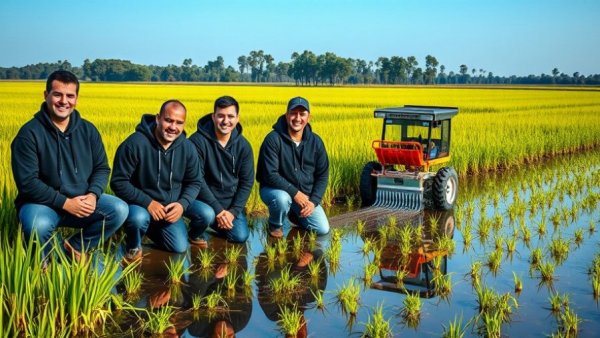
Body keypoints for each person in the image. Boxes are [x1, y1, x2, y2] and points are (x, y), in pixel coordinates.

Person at [11, 70, 128, 262]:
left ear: (76, 99)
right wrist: (65, 203)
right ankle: (44, 262)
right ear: (46, 95)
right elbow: (28, 183)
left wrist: (93, 194)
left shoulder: (88, 130)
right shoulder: (29, 134)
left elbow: (101, 168)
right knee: (37, 225)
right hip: (41, 204)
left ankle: (74, 247)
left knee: (119, 209)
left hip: (82, 200)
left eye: (70, 96)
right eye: (57, 94)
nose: (63, 101)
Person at [111, 100, 202, 261]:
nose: (173, 127)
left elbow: (195, 181)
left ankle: (150, 229)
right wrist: (148, 202)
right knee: (138, 219)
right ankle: (133, 244)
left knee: (179, 247)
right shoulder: (134, 143)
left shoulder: (187, 148)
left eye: (179, 123)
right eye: (168, 120)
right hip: (139, 206)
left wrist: (182, 204)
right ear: (158, 118)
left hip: (168, 209)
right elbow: (118, 182)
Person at [256, 96, 330, 238]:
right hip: (274, 190)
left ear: (308, 117)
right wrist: (295, 193)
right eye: (293, 113)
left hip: (304, 196)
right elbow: (270, 174)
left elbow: (323, 175)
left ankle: (295, 215)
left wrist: (313, 202)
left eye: (302, 114)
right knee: (282, 199)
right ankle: (275, 225)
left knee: (322, 229)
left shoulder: (316, 142)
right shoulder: (273, 139)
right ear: (286, 115)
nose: (297, 118)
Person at [186, 96, 254, 247]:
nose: (225, 121)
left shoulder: (244, 146)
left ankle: (216, 221)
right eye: (221, 116)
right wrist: (217, 210)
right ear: (213, 116)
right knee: (206, 214)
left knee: (240, 236)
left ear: (237, 118)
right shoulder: (197, 141)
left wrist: (232, 212)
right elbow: (197, 179)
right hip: (202, 200)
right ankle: (194, 231)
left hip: (229, 204)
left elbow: (247, 182)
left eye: (230, 116)